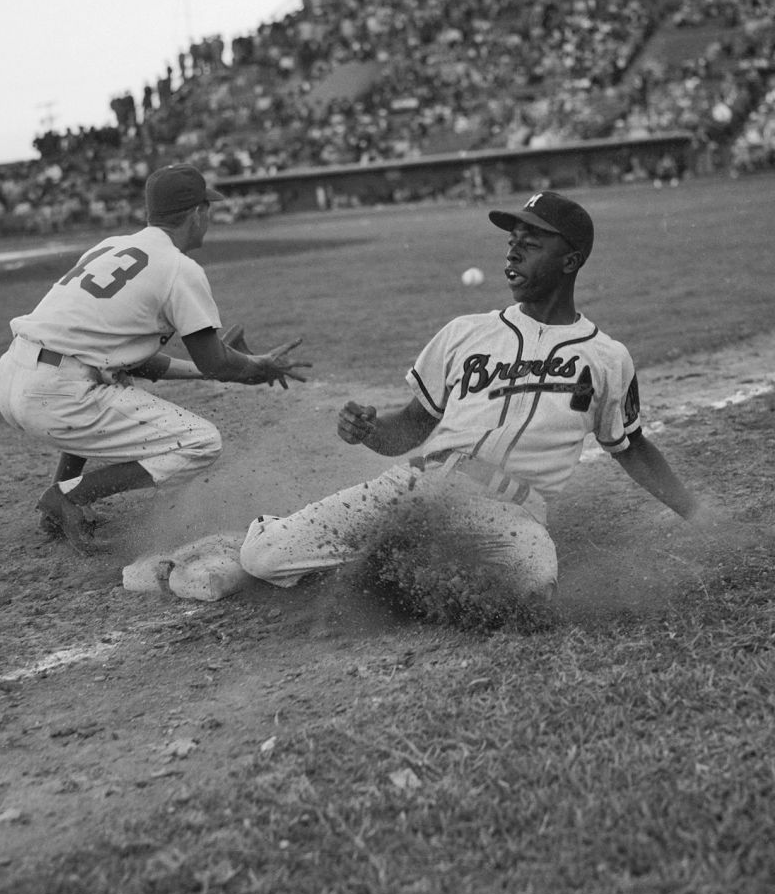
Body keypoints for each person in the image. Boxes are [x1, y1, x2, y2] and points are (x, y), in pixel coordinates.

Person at [239, 191, 703, 599]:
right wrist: (366, 430)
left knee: (533, 594)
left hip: (512, 514)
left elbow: (631, 447)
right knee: (264, 556)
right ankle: (296, 538)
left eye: (532, 241)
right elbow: (408, 431)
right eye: (512, 240)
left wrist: (697, 515)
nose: (514, 249)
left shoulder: (606, 358)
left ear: (570, 261)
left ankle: (388, 565)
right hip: (421, 488)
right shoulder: (466, 333)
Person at [0, 163, 311, 555]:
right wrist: (254, 367)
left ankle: (62, 500)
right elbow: (217, 363)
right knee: (201, 442)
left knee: (109, 382)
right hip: (58, 395)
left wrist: (212, 371)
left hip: (13, 376)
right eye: (206, 209)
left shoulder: (108, 247)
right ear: (196, 214)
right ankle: (68, 496)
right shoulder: (179, 269)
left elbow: (131, 361)